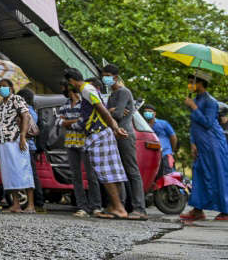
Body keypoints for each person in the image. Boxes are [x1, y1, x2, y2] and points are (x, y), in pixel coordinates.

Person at [63, 68, 129, 220]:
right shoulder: (88, 89)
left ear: (71, 81)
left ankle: (119, 208)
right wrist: (114, 128)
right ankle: (115, 206)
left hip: (99, 134)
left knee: (105, 171)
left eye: (68, 83)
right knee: (112, 170)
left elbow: (102, 109)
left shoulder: (86, 89)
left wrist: (115, 127)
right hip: (103, 132)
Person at [180, 71, 228, 221]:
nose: (190, 84)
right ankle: (197, 210)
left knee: (218, 175)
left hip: (213, 143)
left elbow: (207, 122)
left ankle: (226, 211)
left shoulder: (210, 102)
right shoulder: (196, 99)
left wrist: (194, 107)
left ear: (200, 83)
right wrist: (193, 143)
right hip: (201, 143)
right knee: (199, 173)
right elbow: (194, 125)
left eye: (191, 81)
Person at [102, 64, 147, 220]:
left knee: (132, 171)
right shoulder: (113, 94)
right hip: (115, 135)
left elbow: (119, 115)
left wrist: (111, 112)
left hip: (125, 135)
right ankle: (120, 206)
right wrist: (111, 112)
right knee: (117, 172)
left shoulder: (123, 92)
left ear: (115, 77)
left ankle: (140, 209)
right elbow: (110, 115)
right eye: (103, 75)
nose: (104, 78)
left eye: (107, 75)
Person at [57, 81, 102, 217]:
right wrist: (74, 122)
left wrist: (68, 123)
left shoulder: (84, 103)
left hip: (86, 143)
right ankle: (82, 207)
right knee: (76, 177)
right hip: (70, 144)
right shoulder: (64, 105)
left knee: (91, 175)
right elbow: (58, 122)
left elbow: (84, 121)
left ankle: (96, 206)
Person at [0, 79, 35, 213]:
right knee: (9, 173)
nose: (1, 89)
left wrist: (23, 136)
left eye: (4, 86)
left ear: (11, 88)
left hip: (16, 139)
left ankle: (31, 205)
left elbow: (26, 116)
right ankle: (16, 204)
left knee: (23, 170)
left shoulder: (16, 99)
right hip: (2, 142)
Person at [18, 88, 46, 213]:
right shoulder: (32, 110)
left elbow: (28, 129)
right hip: (29, 146)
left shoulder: (27, 111)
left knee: (31, 175)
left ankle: (37, 202)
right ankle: (36, 202)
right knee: (30, 174)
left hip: (27, 146)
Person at [141, 104, 178, 174]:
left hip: (165, 155)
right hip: (151, 157)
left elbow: (173, 137)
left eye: (149, 111)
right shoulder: (142, 125)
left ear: (154, 113)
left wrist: (171, 150)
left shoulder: (163, 124)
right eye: (145, 112)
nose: (147, 113)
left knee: (168, 176)